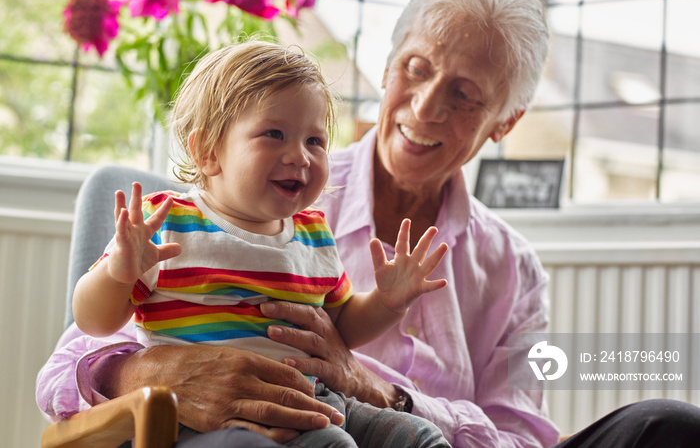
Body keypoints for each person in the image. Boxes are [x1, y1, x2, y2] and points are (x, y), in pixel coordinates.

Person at [37, 0, 700, 448]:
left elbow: (522, 437)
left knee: (668, 427)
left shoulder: (513, 268)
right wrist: (148, 369)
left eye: (466, 93)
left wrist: (381, 391)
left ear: (504, 122)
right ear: (387, 67)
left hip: (396, 431)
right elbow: (66, 370)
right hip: (276, 434)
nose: (426, 105)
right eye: (416, 68)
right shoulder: (239, 209)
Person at [69, 40, 450, 447]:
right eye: (275, 134)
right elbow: (94, 322)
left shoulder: (313, 234)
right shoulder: (168, 221)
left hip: (316, 398)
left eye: (314, 141)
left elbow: (342, 330)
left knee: (419, 436)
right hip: (201, 418)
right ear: (207, 151)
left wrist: (389, 302)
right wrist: (118, 273)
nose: (300, 156)